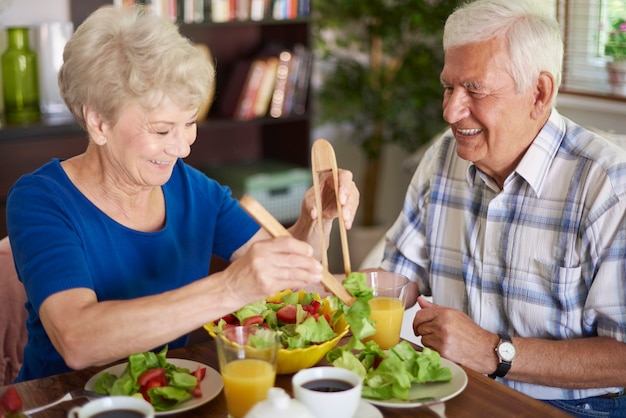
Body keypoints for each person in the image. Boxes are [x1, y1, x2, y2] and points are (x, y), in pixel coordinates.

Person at [6, 5, 359, 382]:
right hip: (63, 401)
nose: (182, 147)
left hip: (172, 395)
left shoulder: (194, 190)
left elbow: (283, 277)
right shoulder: (42, 200)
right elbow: (77, 339)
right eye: (161, 130)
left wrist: (312, 220)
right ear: (99, 123)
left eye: (189, 123)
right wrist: (230, 287)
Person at [378, 0, 626, 416]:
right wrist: (317, 283)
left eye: (474, 89)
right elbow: (399, 279)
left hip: (577, 409)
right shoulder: (442, 158)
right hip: (461, 391)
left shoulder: (608, 186)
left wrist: (494, 352)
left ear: (539, 93)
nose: (450, 111)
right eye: (448, 87)